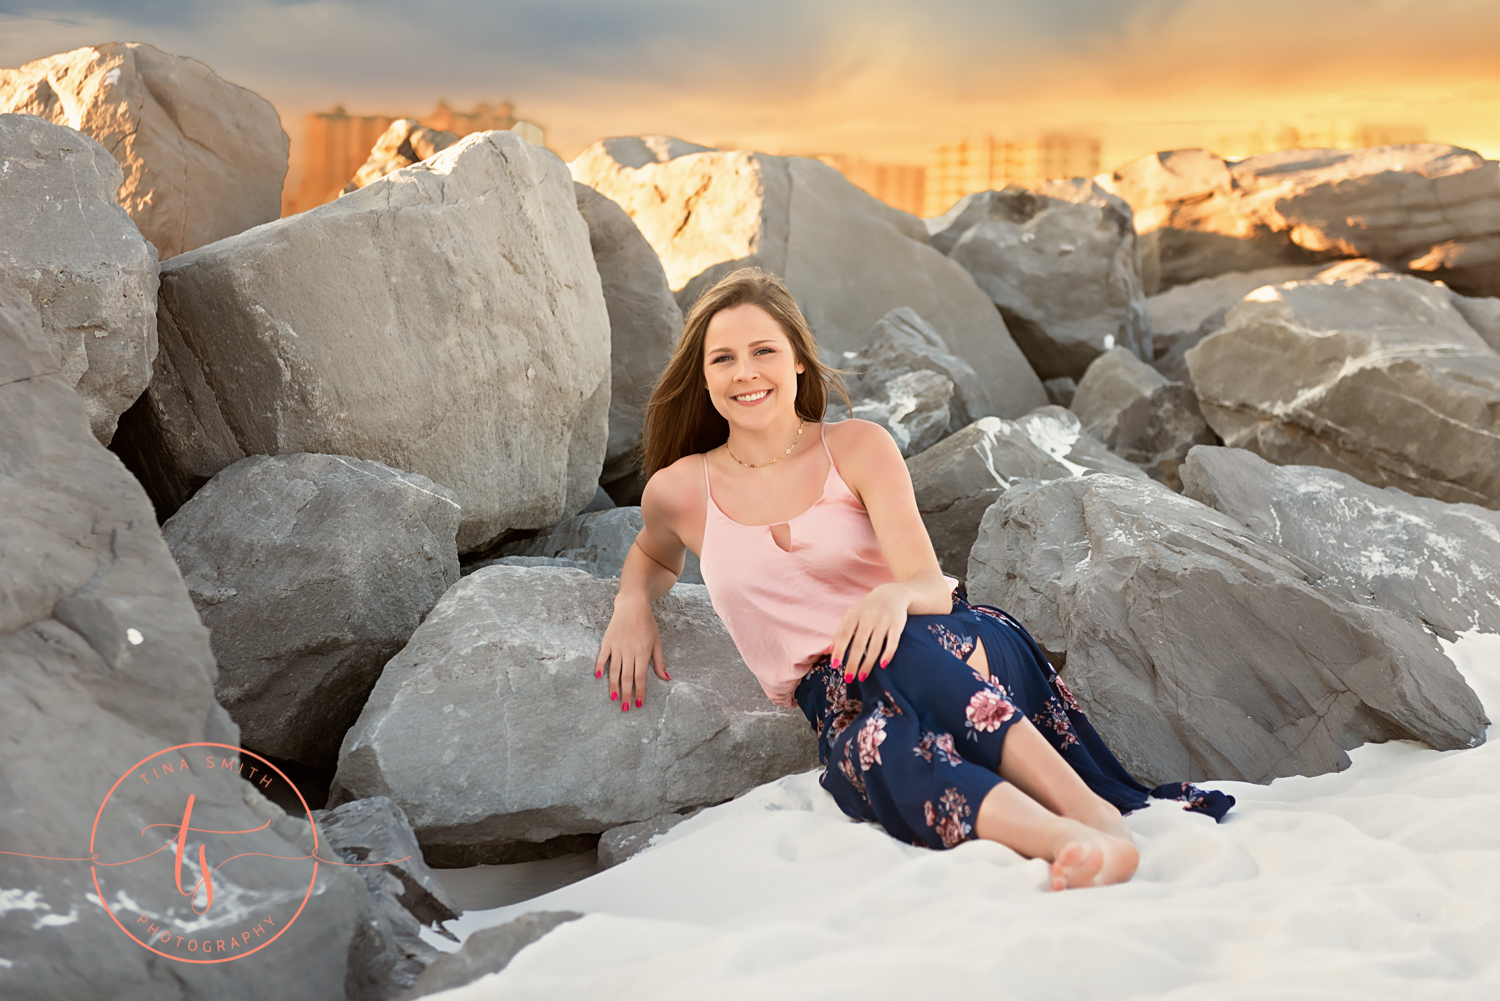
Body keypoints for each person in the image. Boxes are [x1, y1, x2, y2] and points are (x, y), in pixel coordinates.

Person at [594, 268, 1232, 891]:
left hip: (952, 644)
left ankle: (1090, 814)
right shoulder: (680, 491)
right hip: (836, 690)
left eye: (764, 351)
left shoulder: (857, 447)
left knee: (893, 649)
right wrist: (631, 602)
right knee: (882, 756)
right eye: (723, 359)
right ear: (703, 378)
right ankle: (1062, 841)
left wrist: (891, 595)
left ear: (797, 363)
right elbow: (655, 558)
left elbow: (927, 583)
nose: (745, 373)